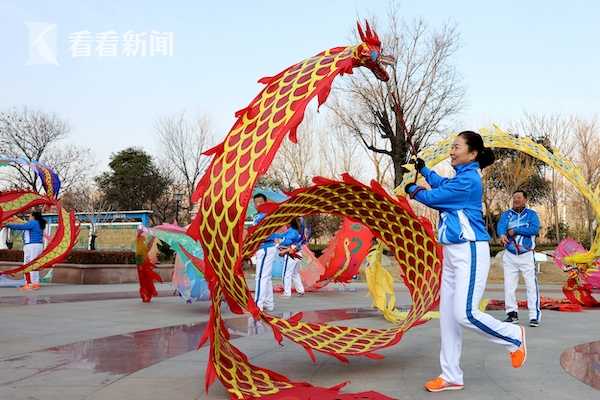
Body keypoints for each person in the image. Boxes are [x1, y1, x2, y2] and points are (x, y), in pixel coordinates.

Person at [405, 131, 527, 393]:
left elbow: (433, 198)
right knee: (448, 318)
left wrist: (413, 190)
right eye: (452, 146)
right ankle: (451, 375)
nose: (451, 150)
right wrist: (424, 170)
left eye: (456, 147)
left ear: (472, 153)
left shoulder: (469, 181)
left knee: (465, 313)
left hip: (469, 251)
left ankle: (513, 336)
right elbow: (441, 185)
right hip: (452, 253)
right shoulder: (461, 178)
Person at [497, 190, 541, 327]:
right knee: (509, 286)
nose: (516, 200)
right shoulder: (506, 214)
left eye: (519, 197)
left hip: (526, 255)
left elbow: (534, 230)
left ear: (525, 200)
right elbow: (501, 227)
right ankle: (512, 314)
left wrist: (516, 230)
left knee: (531, 286)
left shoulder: (531, 215)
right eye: (514, 197)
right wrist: (502, 235)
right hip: (510, 256)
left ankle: (534, 316)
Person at [251, 193, 284, 312]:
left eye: (261, 202)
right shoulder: (261, 215)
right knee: (266, 277)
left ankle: (257, 305)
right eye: (256, 202)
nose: (258, 204)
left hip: (265, 247)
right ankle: (269, 304)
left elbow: (259, 234)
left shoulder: (263, 216)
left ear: (266, 202)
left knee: (260, 277)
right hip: (266, 248)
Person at [6, 211, 47, 291]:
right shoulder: (35, 223)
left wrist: (8, 225)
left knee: (33, 265)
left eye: (30, 216)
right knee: (27, 265)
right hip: (30, 246)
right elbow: (23, 225)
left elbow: (21, 226)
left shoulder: (34, 223)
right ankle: (28, 283)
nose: (29, 217)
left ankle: (34, 284)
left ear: (34, 216)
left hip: (33, 245)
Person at [278, 218, 305, 297]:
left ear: (289, 223)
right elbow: (283, 236)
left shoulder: (292, 231)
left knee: (286, 274)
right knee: (295, 273)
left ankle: (287, 293)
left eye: (286, 222)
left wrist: (280, 243)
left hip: (292, 254)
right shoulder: (296, 231)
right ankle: (301, 290)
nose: (285, 224)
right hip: (298, 253)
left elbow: (287, 242)